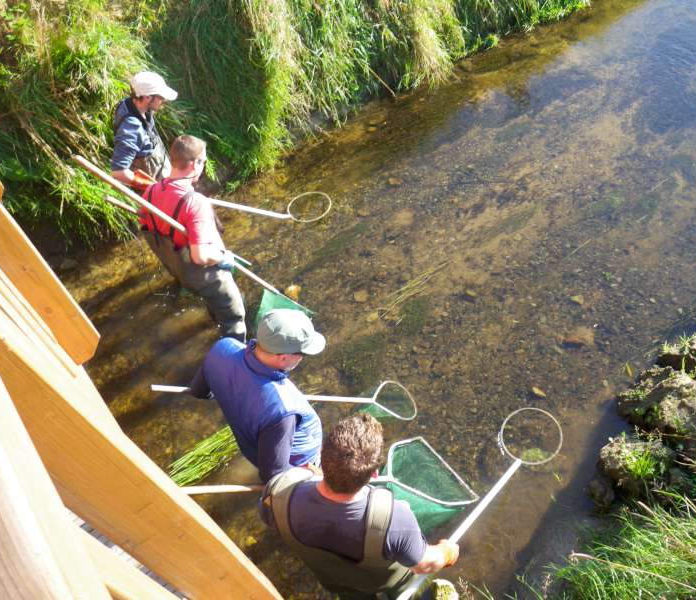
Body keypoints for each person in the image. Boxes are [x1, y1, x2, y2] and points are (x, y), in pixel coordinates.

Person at [260, 413, 459, 600]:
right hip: (385, 586)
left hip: (335, 583)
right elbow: (423, 565)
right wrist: (447, 552)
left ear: (321, 454)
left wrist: (311, 477)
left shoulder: (278, 490)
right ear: (374, 474)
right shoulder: (395, 519)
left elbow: (268, 518)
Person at [190, 308, 325, 482]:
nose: (302, 358)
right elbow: (274, 476)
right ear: (283, 358)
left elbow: (199, 391)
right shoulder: (282, 412)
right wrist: (314, 474)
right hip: (304, 469)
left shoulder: (222, 347)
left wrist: (230, 393)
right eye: (302, 354)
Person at [139, 134, 246, 340]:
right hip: (203, 274)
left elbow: (145, 223)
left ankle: (214, 314)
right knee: (235, 317)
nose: (204, 165)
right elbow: (200, 256)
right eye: (203, 161)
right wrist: (224, 258)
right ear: (195, 163)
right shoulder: (196, 203)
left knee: (213, 301)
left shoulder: (151, 191)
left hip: (178, 269)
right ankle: (233, 355)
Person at [111, 71, 177, 190]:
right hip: (152, 195)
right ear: (147, 97)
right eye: (161, 97)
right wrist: (154, 188)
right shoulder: (132, 129)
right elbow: (118, 172)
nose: (164, 101)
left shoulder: (135, 104)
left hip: (163, 177)